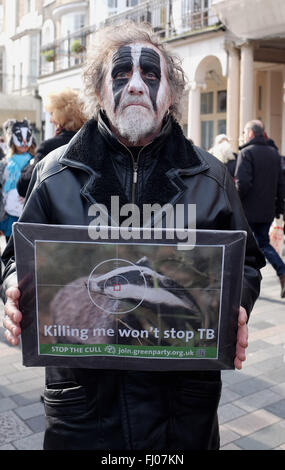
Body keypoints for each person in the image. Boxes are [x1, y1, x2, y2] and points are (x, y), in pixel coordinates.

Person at [2, 21, 265, 451]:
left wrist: (237, 302)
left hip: (181, 413)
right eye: (122, 74)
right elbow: (16, 258)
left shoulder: (211, 178)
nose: (137, 85)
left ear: (171, 94)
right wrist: (14, 288)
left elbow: (248, 262)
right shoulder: (55, 175)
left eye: (150, 74)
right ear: (98, 92)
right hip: (84, 410)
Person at [235, 120, 285, 298]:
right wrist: (279, 208)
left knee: (246, 246)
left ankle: (245, 282)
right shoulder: (274, 153)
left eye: (244, 132)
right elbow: (281, 185)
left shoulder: (246, 152)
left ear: (250, 134)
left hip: (248, 211)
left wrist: (235, 203)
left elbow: (243, 183)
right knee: (262, 244)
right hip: (267, 211)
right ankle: (280, 271)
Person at [17, 87, 86, 198]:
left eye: (52, 113)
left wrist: (30, 164)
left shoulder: (48, 147)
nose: (50, 120)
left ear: (62, 115)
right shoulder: (91, 142)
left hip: (55, 212)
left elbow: (24, 187)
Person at [0, 119, 36, 241]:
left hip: (28, 214)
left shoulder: (36, 160)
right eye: (20, 138)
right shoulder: (5, 163)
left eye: (27, 138)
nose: (24, 142)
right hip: (9, 215)